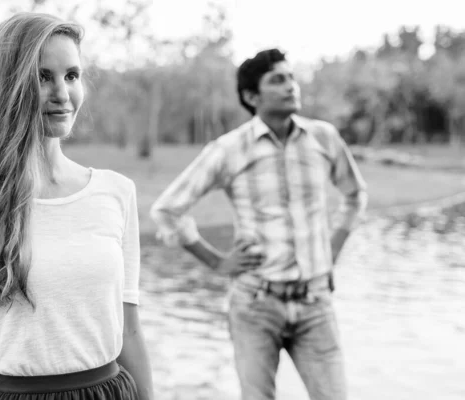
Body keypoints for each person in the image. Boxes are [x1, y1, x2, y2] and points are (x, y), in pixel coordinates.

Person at [0, 12, 153, 400]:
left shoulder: (117, 193)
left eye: (72, 76)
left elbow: (129, 331)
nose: (62, 93)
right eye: (43, 77)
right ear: (8, 87)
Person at [150, 48, 367, 400]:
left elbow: (355, 195)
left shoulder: (324, 138)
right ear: (252, 96)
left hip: (316, 304)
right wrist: (217, 261)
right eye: (277, 80)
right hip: (254, 305)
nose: (290, 86)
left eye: (291, 77)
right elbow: (167, 210)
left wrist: (332, 253)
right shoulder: (228, 149)